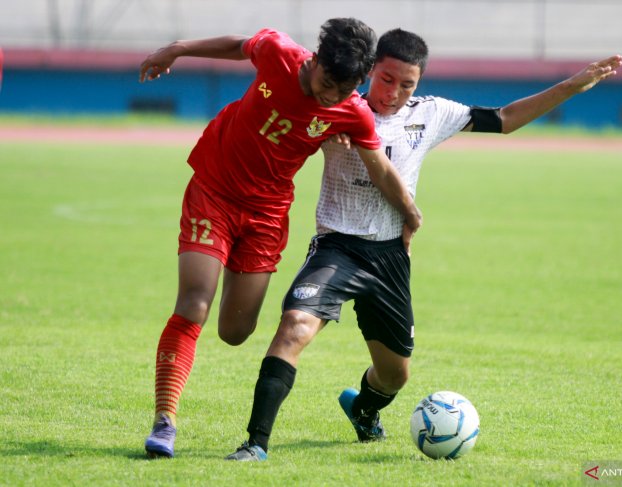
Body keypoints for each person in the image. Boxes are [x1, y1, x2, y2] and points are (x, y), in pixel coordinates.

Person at [225, 28, 622, 461]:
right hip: (336, 246)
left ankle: (362, 410)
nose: (393, 92)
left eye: (406, 84)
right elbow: (293, 118)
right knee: (294, 327)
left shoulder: (430, 114)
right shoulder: (337, 102)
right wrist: (325, 129)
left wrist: (570, 85)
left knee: (395, 376)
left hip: (390, 257)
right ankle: (255, 444)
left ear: (419, 83)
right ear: (370, 71)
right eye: (386, 79)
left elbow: (504, 119)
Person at [138, 18, 422, 459]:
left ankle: (226, 267)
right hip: (214, 189)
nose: (332, 96)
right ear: (314, 59)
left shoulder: (350, 108)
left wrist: (409, 213)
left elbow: (379, 168)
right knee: (195, 302)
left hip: (267, 215)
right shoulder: (278, 53)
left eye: (344, 90)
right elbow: (238, 45)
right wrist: (177, 48)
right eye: (328, 83)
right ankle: (165, 420)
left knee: (236, 331)